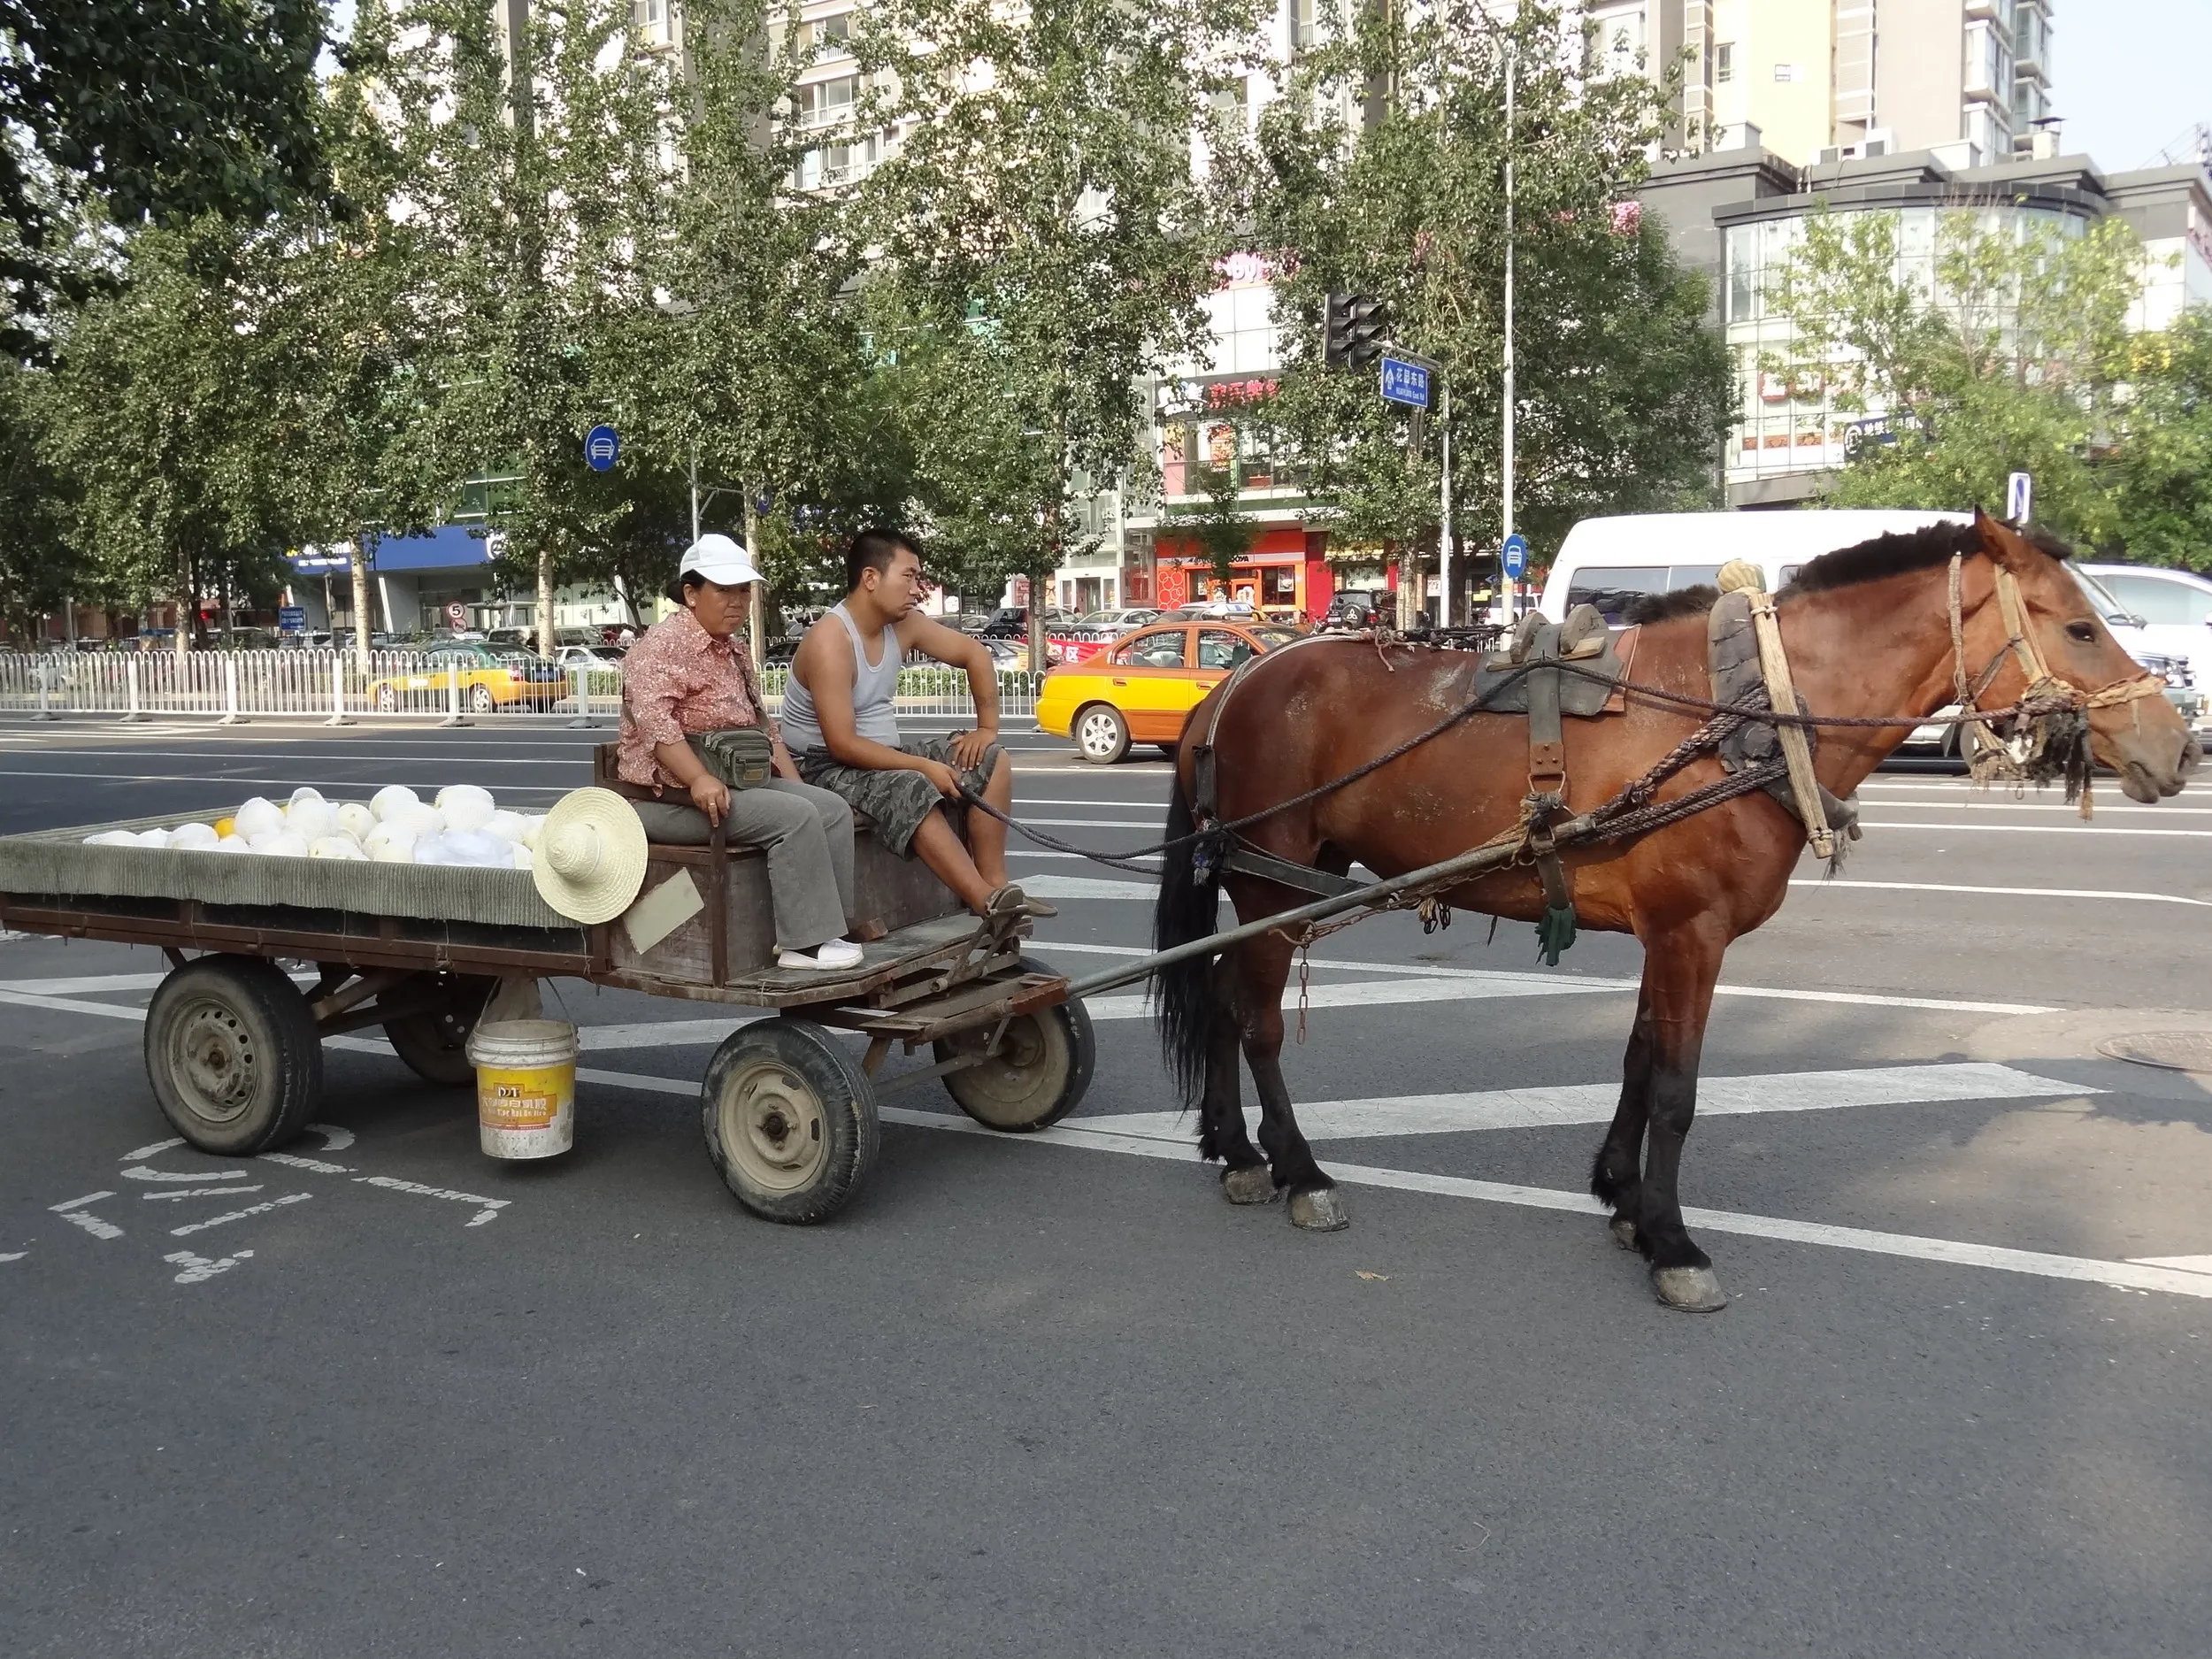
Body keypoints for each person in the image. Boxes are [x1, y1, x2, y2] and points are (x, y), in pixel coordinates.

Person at [617, 534, 867, 972]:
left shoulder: (733, 649)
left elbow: (763, 729)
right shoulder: (657, 648)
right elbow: (657, 728)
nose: (737, 601)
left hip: (737, 781)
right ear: (691, 594)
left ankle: (829, 928)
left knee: (829, 809)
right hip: (666, 798)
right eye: (724, 589)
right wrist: (698, 778)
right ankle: (802, 946)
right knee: (795, 817)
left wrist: (794, 784)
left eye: (743, 590)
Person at [783, 527, 1051, 919]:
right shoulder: (831, 639)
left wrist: (986, 730)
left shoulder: (905, 624)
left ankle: (997, 885)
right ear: (870, 578)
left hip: (880, 756)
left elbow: (975, 654)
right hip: (821, 765)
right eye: (908, 576)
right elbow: (842, 743)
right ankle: (985, 902)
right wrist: (926, 766)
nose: (916, 589)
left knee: (992, 760)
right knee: (912, 784)